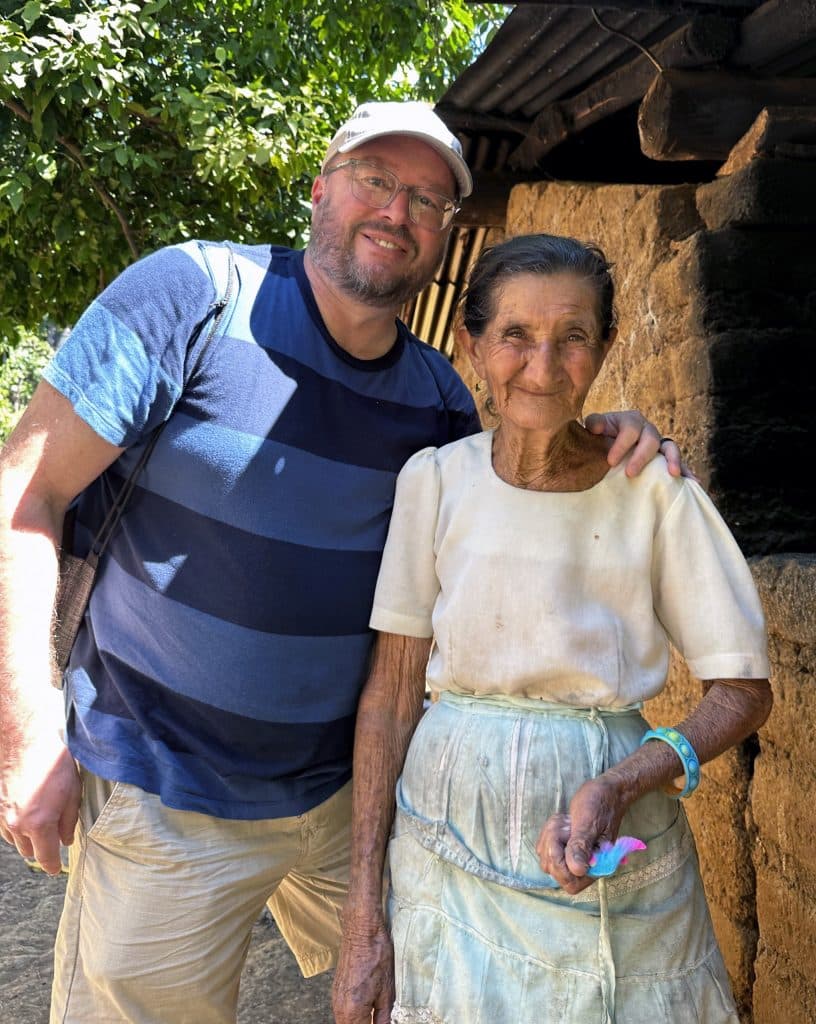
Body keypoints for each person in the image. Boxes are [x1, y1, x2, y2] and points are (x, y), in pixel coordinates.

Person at [0, 103, 678, 1024]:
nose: (398, 212)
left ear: (446, 238)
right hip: (166, 794)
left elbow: (515, 489)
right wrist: (30, 737)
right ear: (320, 188)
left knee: (428, 997)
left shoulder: (436, 398)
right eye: (376, 180)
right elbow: (22, 498)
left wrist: (610, 440)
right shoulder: (195, 296)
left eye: (430, 200)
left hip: (344, 800)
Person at [332, 234, 772, 1024]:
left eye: (573, 336)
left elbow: (741, 689)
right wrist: (363, 918)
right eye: (515, 336)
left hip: (610, 857)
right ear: (472, 346)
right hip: (444, 848)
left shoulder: (652, 490)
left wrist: (626, 779)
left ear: (606, 346)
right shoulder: (435, 482)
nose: (542, 366)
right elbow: (392, 697)